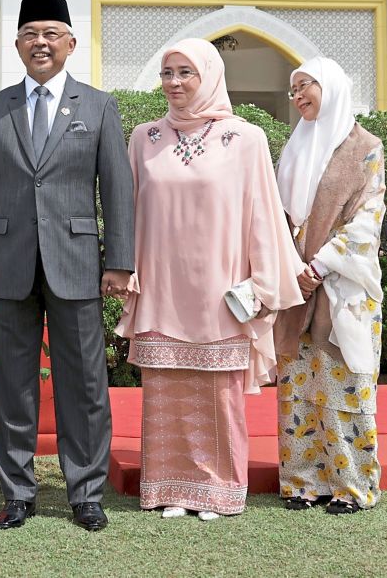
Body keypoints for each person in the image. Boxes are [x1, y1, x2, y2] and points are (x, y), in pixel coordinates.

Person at [0, 0, 134, 533]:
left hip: (77, 263)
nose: (41, 43)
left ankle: (86, 493)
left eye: (51, 33)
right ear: (17, 44)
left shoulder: (98, 106)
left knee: (83, 382)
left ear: (71, 43)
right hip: (7, 262)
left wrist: (119, 260)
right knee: (12, 383)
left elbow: (117, 189)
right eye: (30, 34)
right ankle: (18, 492)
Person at [116, 38, 303, 520]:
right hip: (161, 289)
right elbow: (128, 213)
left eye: (186, 73)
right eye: (167, 73)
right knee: (166, 394)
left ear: (210, 76)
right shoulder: (144, 138)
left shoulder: (245, 139)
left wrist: (263, 283)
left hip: (220, 293)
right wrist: (125, 271)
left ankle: (218, 491)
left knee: (219, 399)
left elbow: (263, 214)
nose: (174, 83)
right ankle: (170, 488)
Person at [273, 57, 385, 514]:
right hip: (294, 287)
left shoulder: (366, 147)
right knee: (298, 387)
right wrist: (287, 266)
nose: (298, 95)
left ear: (331, 86)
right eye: (293, 89)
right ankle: (302, 482)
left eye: (306, 85)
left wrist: (318, 266)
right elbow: (275, 218)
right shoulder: (294, 147)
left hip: (341, 289)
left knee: (344, 388)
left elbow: (367, 219)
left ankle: (352, 486)